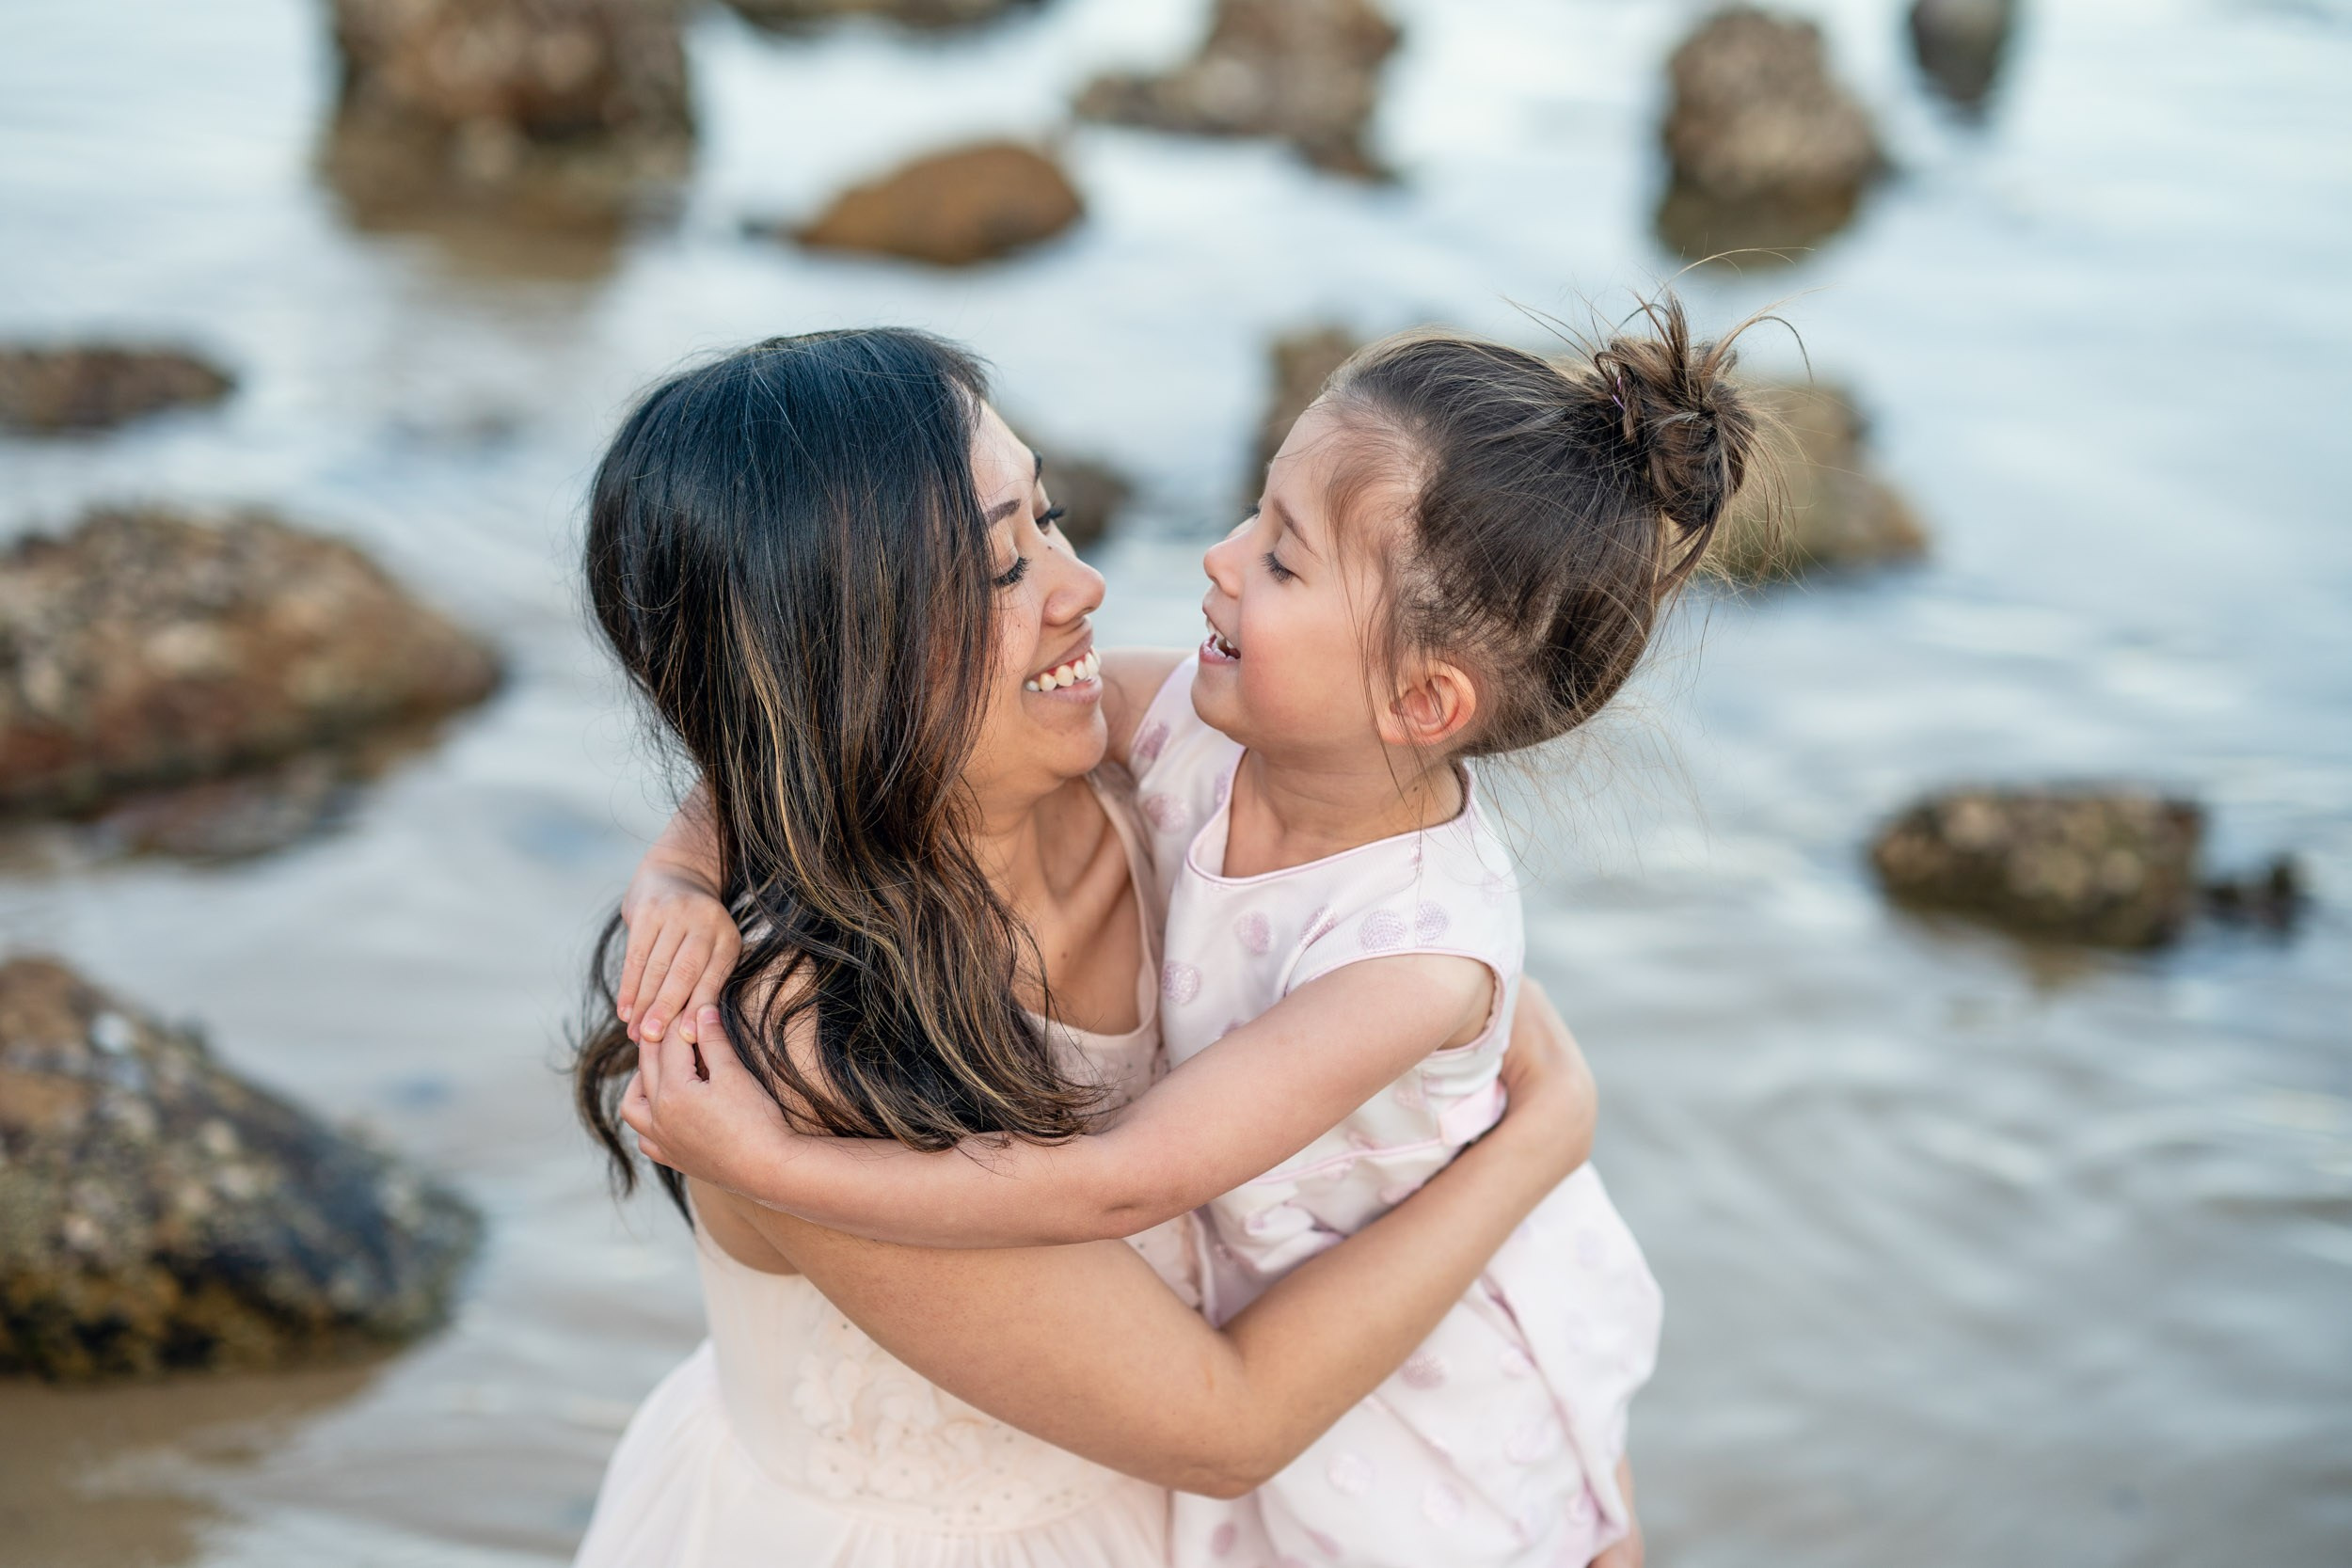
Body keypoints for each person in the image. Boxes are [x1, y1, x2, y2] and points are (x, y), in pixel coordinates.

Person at [622, 300, 1759, 1565]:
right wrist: (675, 873)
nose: (1091, 585)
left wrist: (1553, 1150)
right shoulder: (797, 1049)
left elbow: (1390, 1100)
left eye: (1048, 519)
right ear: (839, 652)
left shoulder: (1199, 796)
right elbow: (1226, 1420)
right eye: (1007, 565)